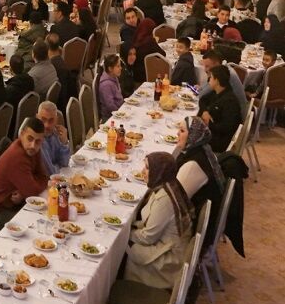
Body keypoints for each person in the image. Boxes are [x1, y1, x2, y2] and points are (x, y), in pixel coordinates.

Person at [124, 153, 194, 289]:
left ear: (159, 172)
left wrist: (126, 234)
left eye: (147, 168)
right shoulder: (168, 184)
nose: (142, 171)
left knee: (122, 247)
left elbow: (148, 238)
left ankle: (126, 289)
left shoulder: (164, 199)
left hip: (168, 261)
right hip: (167, 243)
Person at [0, 118, 49, 233]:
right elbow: (32, 192)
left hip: (13, 205)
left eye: (38, 141)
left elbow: (44, 177)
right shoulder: (17, 156)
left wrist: (25, 190)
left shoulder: (33, 150)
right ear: (22, 134)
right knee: (36, 229)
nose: (33, 145)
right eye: (30, 138)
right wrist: (27, 190)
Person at [197, 64, 242, 152]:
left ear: (216, 80)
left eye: (211, 77)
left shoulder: (230, 101)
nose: (209, 80)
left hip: (220, 141)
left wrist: (209, 124)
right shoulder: (218, 91)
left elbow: (227, 127)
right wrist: (205, 111)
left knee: (189, 136)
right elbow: (202, 100)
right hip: (214, 132)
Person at [36, 101, 70, 175]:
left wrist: (64, 142)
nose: (47, 125)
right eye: (43, 120)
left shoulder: (55, 132)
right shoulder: (37, 140)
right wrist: (58, 166)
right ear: (37, 118)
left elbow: (65, 163)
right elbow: (51, 172)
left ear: (56, 120)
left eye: (51, 120)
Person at [98, 54, 126, 120]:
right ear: (110, 68)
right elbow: (110, 106)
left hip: (119, 110)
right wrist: (121, 112)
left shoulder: (114, 77)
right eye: (118, 66)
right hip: (110, 117)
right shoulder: (106, 85)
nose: (121, 68)